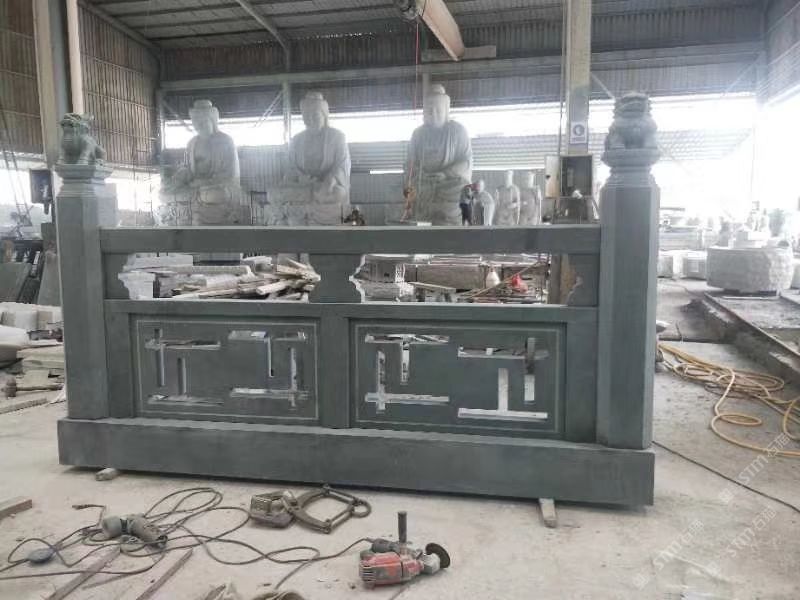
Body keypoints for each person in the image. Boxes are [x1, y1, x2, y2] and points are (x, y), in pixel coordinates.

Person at [161, 99, 243, 225]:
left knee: (214, 195)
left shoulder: (225, 141)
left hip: (219, 187)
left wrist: (206, 182)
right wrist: (178, 178)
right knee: (163, 193)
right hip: (195, 187)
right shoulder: (192, 143)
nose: (198, 125)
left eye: (202, 121)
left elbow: (231, 174)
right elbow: (187, 168)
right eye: (195, 121)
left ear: (212, 120)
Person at [405, 84, 472, 225]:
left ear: (446, 111)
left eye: (438, 111)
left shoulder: (458, 131)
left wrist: (445, 174)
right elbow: (409, 164)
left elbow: (466, 162)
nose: (434, 115)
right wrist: (421, 175)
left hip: (449, 183)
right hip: (424, 182)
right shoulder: (418, 134)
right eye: (429, 111)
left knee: (461, 191)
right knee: (407, 191)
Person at [281, 91, 351, 226]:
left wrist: (330, 180)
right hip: (303, 186)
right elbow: (291, 168)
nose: (310, 120)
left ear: (324, 115)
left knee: (338, 194)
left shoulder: (337, 137)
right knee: (274, 193)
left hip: (328, 188)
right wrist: (300, 178)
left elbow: (342, 165)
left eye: (315, 116)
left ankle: (314, 211)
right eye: (306, 116)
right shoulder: (296, 140)